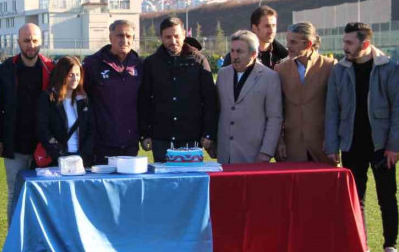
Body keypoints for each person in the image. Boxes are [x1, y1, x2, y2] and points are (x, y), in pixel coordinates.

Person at [325, 22, 399, 252]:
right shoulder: (339, 70)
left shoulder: (388, 68)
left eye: (349, 43)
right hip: (351, 144)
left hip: (381, 145)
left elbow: (398, 108)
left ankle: (390, 247)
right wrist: (332, 146)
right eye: (344, 41)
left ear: (365, 44)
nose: (344, 47)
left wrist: (394, 145)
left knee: (387, 197)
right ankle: (362, 246)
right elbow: (332, 110)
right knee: (355, 198)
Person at [0, 23, 54, 227]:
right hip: (14, 143)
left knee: (44, 196)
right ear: (18, 42)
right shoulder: (6, 69)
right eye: (26, 40)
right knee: (14, 194)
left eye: (35, 40)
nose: (31, 45)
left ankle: (39, 244)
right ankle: (14, 245)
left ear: (41, 41)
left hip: (44, 145)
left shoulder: (50, 68)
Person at [139, 17, 217, 162]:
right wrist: (144, 133)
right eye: (168, 37)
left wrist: (208, 133)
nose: (173, 41)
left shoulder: (198, 61)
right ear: (161, 38)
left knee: (190, 181)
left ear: (184, 36)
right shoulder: (151, 64)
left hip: (190, 136)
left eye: (176, 36)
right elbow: (144, 101)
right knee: (164, 182)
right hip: (161, 137)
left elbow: (209, 101)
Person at [215, 31, 282, 164]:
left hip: (254, 154)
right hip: (224, 153)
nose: (234, 56)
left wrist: (266, 151)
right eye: (232, 51)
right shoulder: (222, 74)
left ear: (254, 54)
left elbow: (274, 117)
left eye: (239, 51)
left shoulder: (269, 77)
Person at [275, 21, 337, 163]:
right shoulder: (280, 69)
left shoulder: (330, 66)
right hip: (291, 148)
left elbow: (335, 108)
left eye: (293, 42)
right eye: (287, 41)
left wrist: (332, 141)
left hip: (322, 146)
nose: (288, 46)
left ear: (308, 44)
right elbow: (277, 110)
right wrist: (279, 141)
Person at [82, 20, 143, 165]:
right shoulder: (92, 64)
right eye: (120, 35)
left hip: (130, 143)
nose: (125, 40)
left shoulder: (140, 65)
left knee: (128, 186)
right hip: (101, 144)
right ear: (110, 38)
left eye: (129, 36)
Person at [38, 56, 96, 166]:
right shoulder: (48, 98)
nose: (75, 78)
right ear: (62, 75)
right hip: (56, 161)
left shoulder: (84, 100)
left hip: (81, 161)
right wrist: (60, 155)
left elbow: (91, 130)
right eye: (71, 75)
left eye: (78, 74)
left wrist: (83, 156)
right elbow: (43, 131)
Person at [222, 5, 288, 69]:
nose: (271, 31)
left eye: (274, 26)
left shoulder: (284, 57)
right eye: (267, 26)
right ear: (255, 28)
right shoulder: (235, 57)